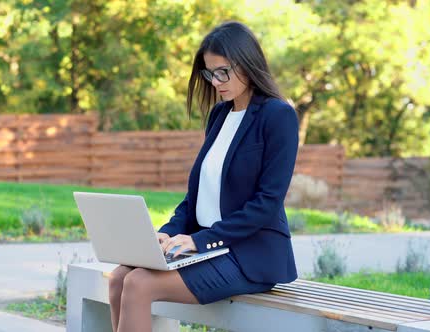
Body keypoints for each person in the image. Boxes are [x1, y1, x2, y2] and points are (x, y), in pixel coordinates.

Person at [108, 21, 299, 332]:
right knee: (119, 278)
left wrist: (200, 241)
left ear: (247, 63)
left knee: (140, 284)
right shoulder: (220, 115)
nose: (215, 82)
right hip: (210, 248)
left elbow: (267, 203)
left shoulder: (278, 116)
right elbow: (196, 196)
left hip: (250, 255)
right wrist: (167, 232)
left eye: (223, 72)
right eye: (210, 74)